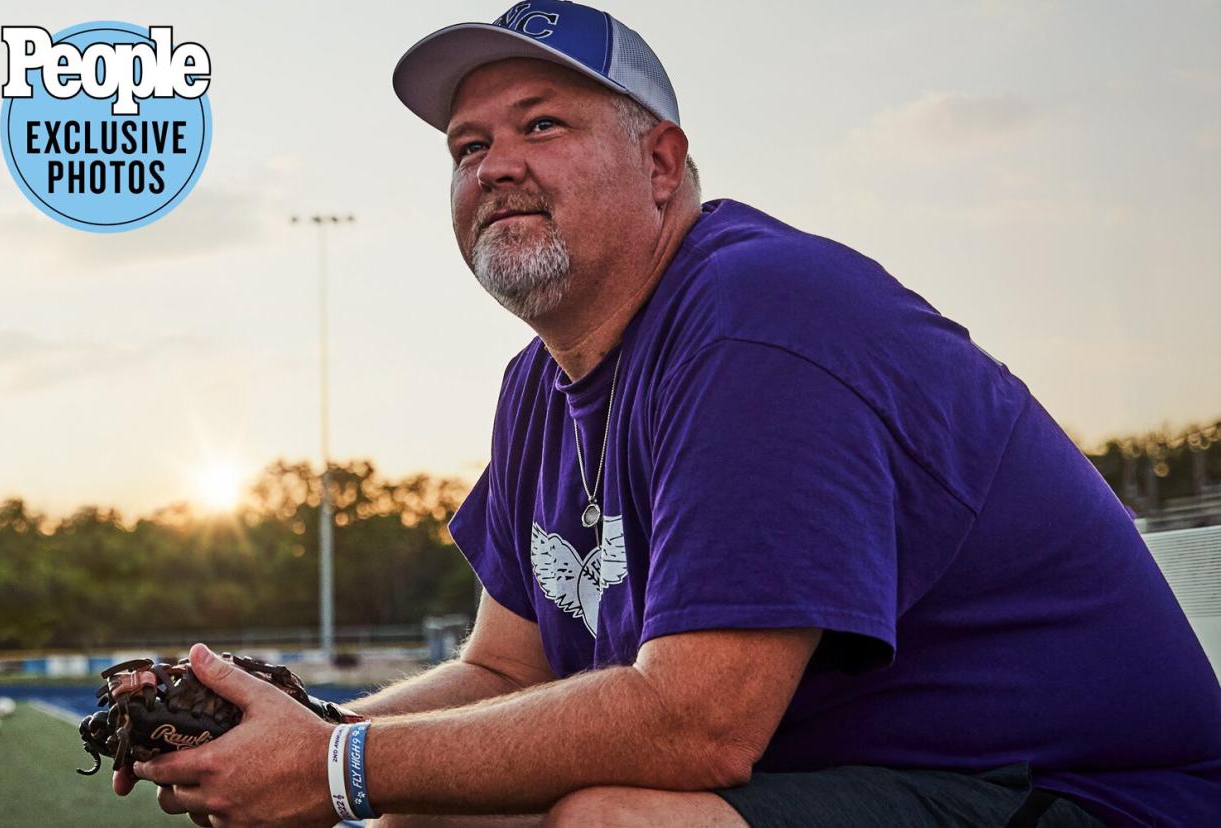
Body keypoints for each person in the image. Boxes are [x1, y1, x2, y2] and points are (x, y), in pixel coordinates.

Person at [120, 3, 1221, 826]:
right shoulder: (538, 386)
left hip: (1089, 795)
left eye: (541, 125)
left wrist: (332, 771)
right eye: (467, 147)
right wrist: (292, 736)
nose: (495, 165)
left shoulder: (761, 319)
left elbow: (698, 725)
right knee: (434, 800)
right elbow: (507, 675)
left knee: (617, 823)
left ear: (661, 164)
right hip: (893, 780)